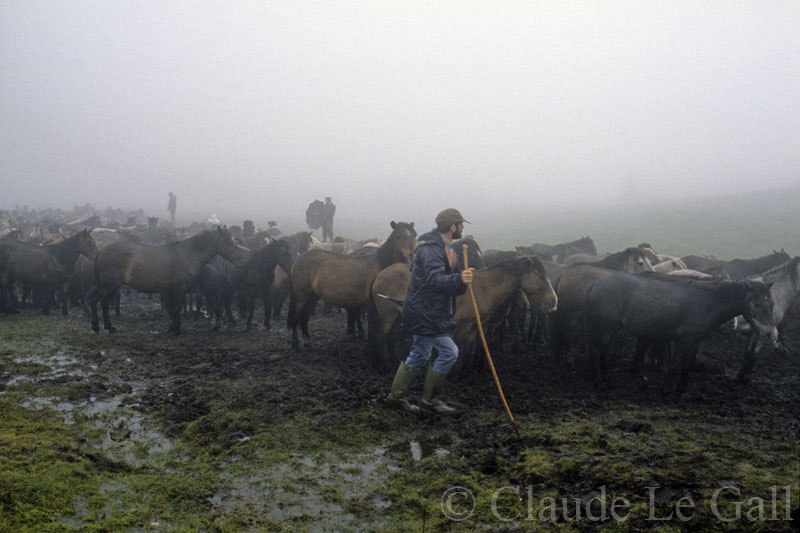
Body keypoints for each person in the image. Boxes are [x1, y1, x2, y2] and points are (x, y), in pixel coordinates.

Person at [387, 208, 474, 415]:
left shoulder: (447, 249)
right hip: (425, 312)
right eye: (461, 224)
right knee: (449, 352)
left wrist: (461, 280)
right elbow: (433, 281)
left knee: (420, 352)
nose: (462, 228)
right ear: (453, 227)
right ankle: (430, 400)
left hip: (430, 310)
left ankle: (395, 398)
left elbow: (448, 283)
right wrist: (459, 279)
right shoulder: (432, 249)